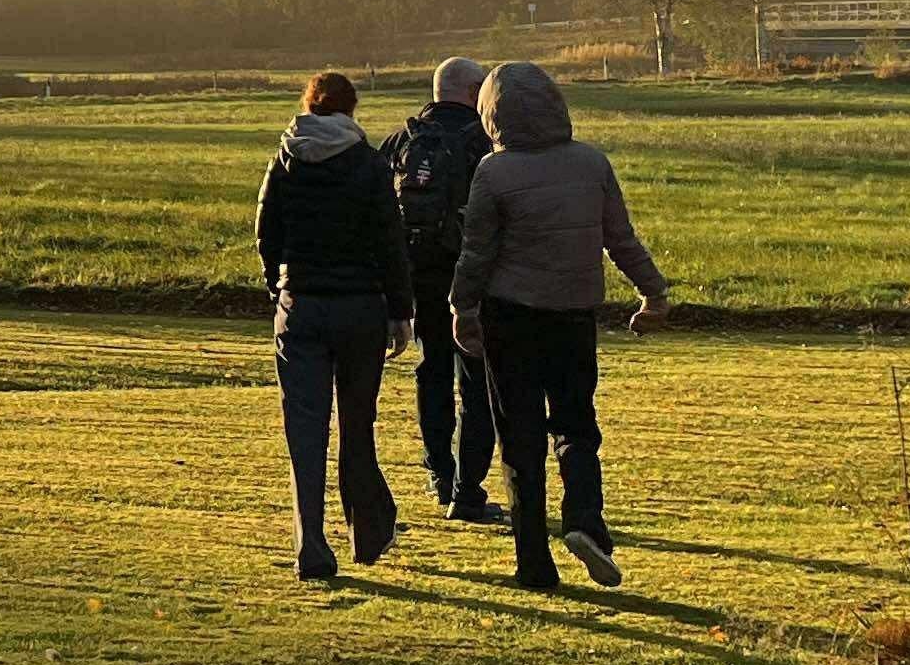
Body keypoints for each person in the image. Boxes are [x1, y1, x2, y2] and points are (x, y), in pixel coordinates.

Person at [449, 59, 671, 593]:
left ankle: (534, 565)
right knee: (575, 425)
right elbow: (621, 239)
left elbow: (476, 253)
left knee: (520, 438)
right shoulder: (591, 164)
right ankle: (585, 521)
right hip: (574, 315)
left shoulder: (493, 172)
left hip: (511, 317)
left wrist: (463, 308)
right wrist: (654, 292)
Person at [252, 67, 410, 582]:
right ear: (351, 109)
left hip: (302, 305)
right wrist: (400, 311)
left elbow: (266, 230)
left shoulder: (286, 158)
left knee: (305, 430)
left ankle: (311, 546)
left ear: (309, 105)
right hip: (361, 307)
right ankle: (366, 530)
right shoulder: (367, 163)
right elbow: (391, 242)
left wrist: (279, 286)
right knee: (357, 424)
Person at [386, 55, 497, 521]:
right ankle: (467, 488)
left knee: (431, 369)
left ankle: (437, 473)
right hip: (473, 280)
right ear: (473, 92)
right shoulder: (486, 144)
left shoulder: (403, 141)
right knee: (476, 379)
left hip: (420, 277)